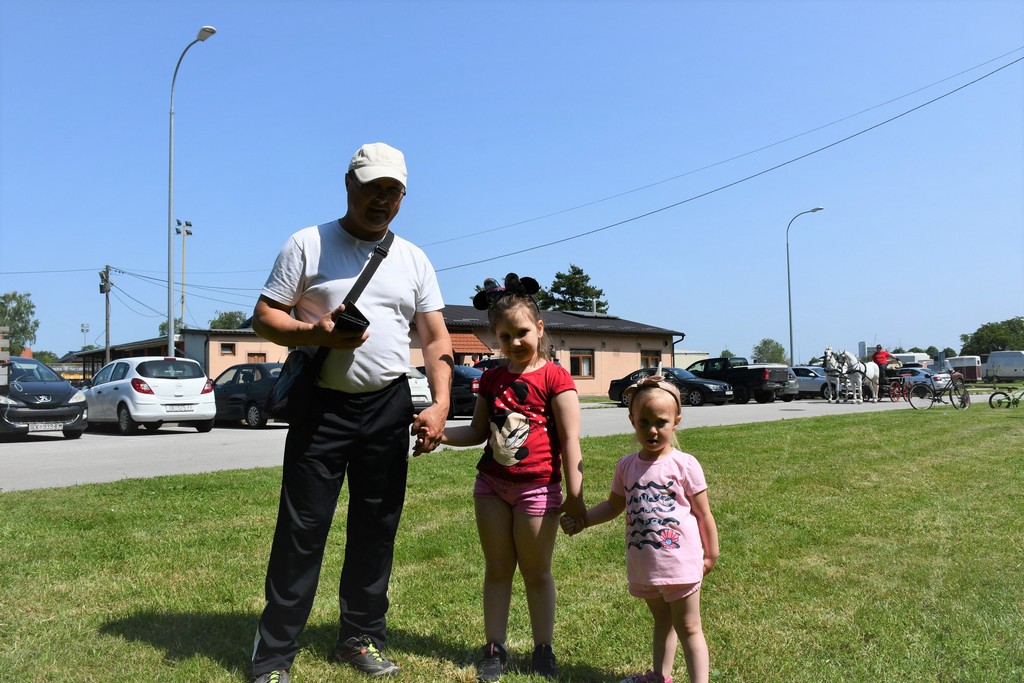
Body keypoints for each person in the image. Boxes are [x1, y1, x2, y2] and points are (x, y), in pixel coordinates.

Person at [249, 142, 453, 683]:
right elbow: (264, 317)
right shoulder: (307, 244)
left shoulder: (413, 258)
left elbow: (435, 337)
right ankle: (274, 655)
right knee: (302, 530)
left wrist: (440, 403)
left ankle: (361, 638)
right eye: (372, 188)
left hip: (387, 406)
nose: (381, 200)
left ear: (403, 197)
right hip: (321, 407)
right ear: (348, 184)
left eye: (393, 192)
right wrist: (313, 332)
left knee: (376, 528)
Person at [441, 273, 586, 682]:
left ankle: (543, 649)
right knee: (498, 569)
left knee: (536, 573)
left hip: (537, 489)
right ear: (495, 339)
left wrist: (575, 495)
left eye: (522, 332)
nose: (515, 342)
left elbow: (570, 440)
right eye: (505, 337)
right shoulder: (491, 378)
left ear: (539, 328)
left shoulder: (555, 378)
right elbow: (476, 431)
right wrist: (439, 435)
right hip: (490, 486)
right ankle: (494, 648)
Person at [561, 376, 719, 683]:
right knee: (662, 620)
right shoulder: (626, 466)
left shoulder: (685, 465)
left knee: (689, 627)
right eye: (644, 422)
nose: (652, 430)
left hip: (681, 563)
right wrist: (583, 520)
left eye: (661, 422)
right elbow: (613, 506)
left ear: (676, 422)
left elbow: (703, 513)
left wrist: (711, 554)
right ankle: (660, 676)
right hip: (645, 564)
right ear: (632, 420)